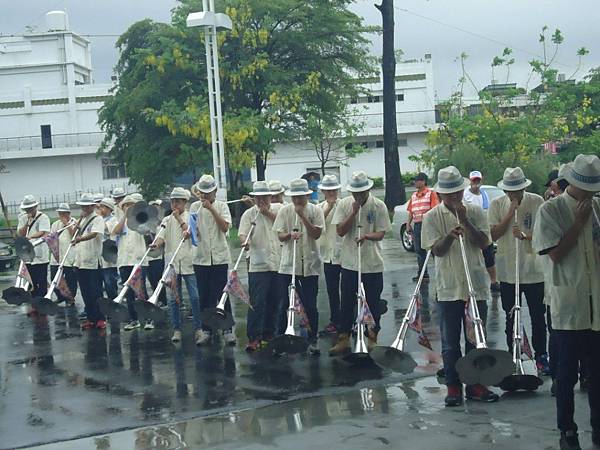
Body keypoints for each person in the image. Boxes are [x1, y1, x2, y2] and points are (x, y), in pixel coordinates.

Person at [533, 154, 600, 450]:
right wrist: (578, 223)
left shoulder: (597, 207)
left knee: (596, 373)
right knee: (566, 375)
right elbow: (556, 255)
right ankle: (567, 430)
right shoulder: (552, 210)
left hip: (595, 302)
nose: (592, 194)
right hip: (567, 305)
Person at [421, 166, 499, 406]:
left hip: (474, 283)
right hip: (448, 286)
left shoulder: (475, 211)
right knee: (450, 341)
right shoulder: (431, 217)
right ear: (441, 195)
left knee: (476, 339)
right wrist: (449, 236)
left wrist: (465, 220)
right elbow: (436, 251)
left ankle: (476, 383)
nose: (454, 197)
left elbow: (485, 243)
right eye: (449, 194)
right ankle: (453, 386)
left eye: (457, 192)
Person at [488, 167, 549, 375]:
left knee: (538, 315)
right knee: (511, 315)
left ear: (524, 188)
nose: (515, 195)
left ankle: (541, 355)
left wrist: (525, 236)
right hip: (508, 271)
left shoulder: (537, 201)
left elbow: (545, 234)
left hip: (533, 270)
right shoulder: (497, 205)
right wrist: (509, 213)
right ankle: (513, 354)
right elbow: (493, 235)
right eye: (510, 192)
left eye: (518, 191)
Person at [329, 171, 391, 355]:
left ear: (368, 190)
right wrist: (353, 213)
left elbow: (381, 233)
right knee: (346, 302)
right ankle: (344, 338)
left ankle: (372, 337)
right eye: (355, 193)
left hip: (372, 262)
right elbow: (340, 231)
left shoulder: (379, 205)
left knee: (372, 301)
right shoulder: (344, 204)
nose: (358, 196)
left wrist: (366, 236)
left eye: (362, 193)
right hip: (349, 263)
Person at [273, 178, 324, 355]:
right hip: (288, 264)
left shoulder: (316, 210)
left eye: (300, 197)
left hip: (310, 265)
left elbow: (317, 234)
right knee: (283, 304)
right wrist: (289, 235)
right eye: (294, 197)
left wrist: (302, 216)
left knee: (310, 304)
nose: (297, 201)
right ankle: (280, 339)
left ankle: (312, 338)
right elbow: (280, 235)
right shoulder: (285, 211)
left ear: (307, 196)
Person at [152, 187, 202, 344]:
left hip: (189, 262)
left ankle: (198, 329)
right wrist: (155, 245)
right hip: (172, 264)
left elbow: (191, 234)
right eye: (173, 201)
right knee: (174, 299)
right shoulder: (166, 220)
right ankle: (177, 329)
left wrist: (179, 219)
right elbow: (161, 237)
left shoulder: (191, 217)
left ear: (185, 203)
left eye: (178, 202)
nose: (174, 205)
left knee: (194, 297)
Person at [189, 175, 235, 346]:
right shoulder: (194, 207)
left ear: (215, 191)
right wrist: (191, 232)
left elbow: (224, 227)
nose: (205, 196)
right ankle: (206, 330)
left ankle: (228, 329)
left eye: (209, 193)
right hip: (201, 258)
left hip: (219, 257)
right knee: (205, 295)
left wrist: (211, 209)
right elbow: (193, 231)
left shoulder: (222, 206)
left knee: (222, 294)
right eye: (203, 193)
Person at [239, 181, 283, 352]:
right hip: (258, 264)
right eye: (258, 197)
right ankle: (253, 337)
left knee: (275, 300)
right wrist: (245, 242)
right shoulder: (249, 215)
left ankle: (269, 334)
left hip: (277, 263)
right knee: (257, 302)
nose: (262, 200)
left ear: (270, 197)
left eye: (265, 197)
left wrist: (267, 213)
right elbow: (243, 235)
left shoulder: (280, 210)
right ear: (254, 198)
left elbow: (283, 225)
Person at [112, 194, 151, 331]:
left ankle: (147, 318)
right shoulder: (120, 221)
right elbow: (115, 232)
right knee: (128, 291)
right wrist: (124, 217)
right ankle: (133, 319)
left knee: (140, 291)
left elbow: (146, 231)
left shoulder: (140, 219)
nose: (128, 207)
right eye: (125, 205)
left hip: (138, 259)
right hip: (124, 260)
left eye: (130, 205)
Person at [71, 193, 106, 330]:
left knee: (96, 291)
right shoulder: (82, 219)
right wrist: (79, 221)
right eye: (82, 206)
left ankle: (101, 318)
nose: (84, 208)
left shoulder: (98, 219)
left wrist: (81, 238)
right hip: (80, 261)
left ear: (92, 206)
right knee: (85, 292)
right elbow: (73, 233)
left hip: (92, 261)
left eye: (86, 206)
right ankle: (91, 318)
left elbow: (95, 234)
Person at [462, 170, 499, 294]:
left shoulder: (484, 194)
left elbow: (486, 211)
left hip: (483, 227)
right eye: (474, 181)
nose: (476, 183)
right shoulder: (466, 194)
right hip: (470, 227)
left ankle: (493, 282)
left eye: (478, 180)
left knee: (489, 255)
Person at [317, 174, 343, 334]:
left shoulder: (345, 204)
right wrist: (329, 207)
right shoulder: (319, 207)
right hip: (328, 255)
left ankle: (351, 320)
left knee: (349, 291)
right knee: (332, 291)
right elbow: (318, 223)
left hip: (345, 254)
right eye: (328, 190)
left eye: (334, 189)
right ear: (324, 192)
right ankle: (335, 321)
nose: (331, 192)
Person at [17, 195, 50, 313]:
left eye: (31, 208)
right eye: (27, 209)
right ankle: (35, 305)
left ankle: (42, 304)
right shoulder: (22, 218)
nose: (29, 210)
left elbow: (43, 232)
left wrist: (30, 236)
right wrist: (27, 222)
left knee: (41, 281)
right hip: (28, 254)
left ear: (35, 206)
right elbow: (20, 233)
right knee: (32, 282)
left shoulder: (43, 217)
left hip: (40, 255)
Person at [406, 172, 438, 281]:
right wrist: (408, 224)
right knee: (419, 250)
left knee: (432, 249)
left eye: (417, 180)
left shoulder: (431, 194)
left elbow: (434, 209)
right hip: (417, 225)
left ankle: (440, 271)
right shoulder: (414, 196)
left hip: (428, 224)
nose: (415, 182)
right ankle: (422, 274)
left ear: (423, 181)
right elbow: (411, 211)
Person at [49, 203, 77, 304]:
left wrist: (66, 223)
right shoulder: (55, 224)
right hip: (57, 256)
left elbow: (74, 235)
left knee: (71, 279)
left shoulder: (74, 222)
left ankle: (70, 298)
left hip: (69, 256)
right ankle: (61, 296)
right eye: (60, 213)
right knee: (54, 277)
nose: (62, 215)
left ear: (68, 213)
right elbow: (51, 237)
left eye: (64, 213)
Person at [96, 198, 119, 301]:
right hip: (99, 255)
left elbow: (106, 229)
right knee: (99, 284)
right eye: (100, 207)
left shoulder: (113, 219)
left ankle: (114, 302)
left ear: (109, 209)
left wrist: (99, 217)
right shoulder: (98, 219)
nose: (101, 209)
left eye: (103, 207)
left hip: (109, 254)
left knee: (110, 283)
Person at [146, 199, 167, 307]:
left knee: (159, 278)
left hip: (159, 255)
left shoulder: (162, 221)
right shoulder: (146, 223)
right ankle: (156, 298)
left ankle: (163, 300)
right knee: (152, 279)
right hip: (149, 256)